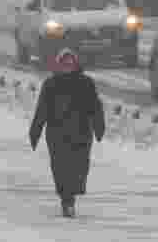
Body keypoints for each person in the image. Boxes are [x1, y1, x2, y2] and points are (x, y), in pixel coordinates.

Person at [29, 48, 106, 218]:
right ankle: (67, 200)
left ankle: (71, 196)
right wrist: (35, 132)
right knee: (61, 168)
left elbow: (95, 107)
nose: (67, 67)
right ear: (59, 66)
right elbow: (42, 110)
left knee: (79, 167)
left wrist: (99, 127)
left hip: (81, 133)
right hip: (57, 135)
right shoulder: (51, 84)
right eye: (64, 64)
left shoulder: (86, 83)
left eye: (70, 64)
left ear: (76, 65)